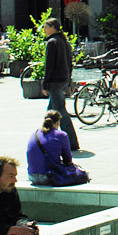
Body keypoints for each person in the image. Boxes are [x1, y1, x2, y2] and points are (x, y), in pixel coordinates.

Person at [39, 18, 79, 152]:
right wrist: (68, 81)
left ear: (53, 27)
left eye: (46, 27)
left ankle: (72, 142)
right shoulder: (64, 41)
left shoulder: (52, 42)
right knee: (51, 111)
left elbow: (49, 66)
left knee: (60, 112)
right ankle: (47, 139)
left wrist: (44, 84)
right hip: (62, 80)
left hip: (55, 81)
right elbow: (70, 63)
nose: (44, 30)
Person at [25, 111, 88, 187]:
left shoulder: (35, 133)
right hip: (49, 176)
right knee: (82, 174)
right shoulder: (61, 135)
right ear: (58, 122)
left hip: (32, 176)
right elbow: (68, 160)